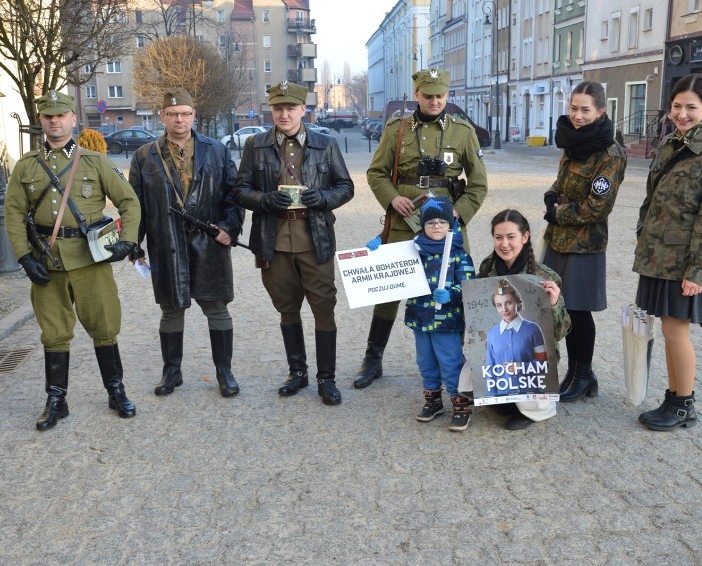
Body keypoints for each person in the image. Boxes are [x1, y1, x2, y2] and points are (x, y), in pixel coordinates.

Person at [4, 90, 140, 431]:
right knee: (54, 333)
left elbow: (129, 202)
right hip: (46, 261)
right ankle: (56, 400)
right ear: (41, 121)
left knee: (105, 327)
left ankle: (115, 390)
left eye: (60, 115)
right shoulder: (25, 168)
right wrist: (23, 256)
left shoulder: (94, 161)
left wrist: (128, 241)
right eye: (48, 116)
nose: (54, 121)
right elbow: (13, 213)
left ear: (72, 119)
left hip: (90, 260)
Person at [356, 67, 488, 390]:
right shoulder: (396, 129)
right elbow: (377, 173)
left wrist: (460, 212)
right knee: (389, 291)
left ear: (447, 95)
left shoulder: (463, 131)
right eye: (428, 96)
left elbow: (479, 183)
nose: (434, 101)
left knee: (460, 290)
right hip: (405, 221)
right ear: (417, 94)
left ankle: (472, 363)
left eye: (440, 96)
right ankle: (373, 360)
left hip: (447, 223)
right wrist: (392, 199)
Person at [232, 80, 354, 406]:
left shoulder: (324, 144)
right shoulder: (255, 145)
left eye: (290, 108)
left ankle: (326, 379)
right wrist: (264, 199)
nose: (284, 114)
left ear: (304, 109)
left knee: (323, 309)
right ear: (271, 110)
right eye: (278, 108)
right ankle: (297, 373)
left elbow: (346, 187)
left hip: (315, 239)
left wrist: (324, 197)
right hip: (273, 242)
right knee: (287, 310)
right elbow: (240, 190)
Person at [633, 74, 702, 431]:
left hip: (685, 262)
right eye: (677, 106)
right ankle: (675, 396)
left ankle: (682, 406)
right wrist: (642, 232)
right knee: (668, 330)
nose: (682, 113)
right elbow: (651, 198)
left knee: (677, 332)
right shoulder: (668, 145)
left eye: (691, 107)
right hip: (658, 256)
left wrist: (699, 269)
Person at [129, 88, 244, 398]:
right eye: (172, 114)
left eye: (184, 113)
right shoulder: (144, 156)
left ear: (194, 116)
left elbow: (233, 195)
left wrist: (230, 227)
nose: (178, 118)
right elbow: (135, 204)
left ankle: (224, 371)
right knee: (171, 310)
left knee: (217, 308)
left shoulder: (216, 150)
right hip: (166, 242)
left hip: (210, 241)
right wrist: (134, 245)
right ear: (162, 117)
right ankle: (172, 371)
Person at [542, 80, 626, 402]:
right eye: (573, 108)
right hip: (558, 240)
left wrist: (558, 212)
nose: (577, 115)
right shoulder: (573, 143)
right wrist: (551, 196)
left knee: (579, 311)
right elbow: (561, 180)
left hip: (585, 244)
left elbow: (597, 206)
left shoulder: (610, 153)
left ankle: (584, 374)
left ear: (600, 111)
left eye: (585, 110)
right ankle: (572, 373)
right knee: (561, 306)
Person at [377, 197, 474, 431]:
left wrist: (452, 294)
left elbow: (469, 285)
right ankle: (433, 400)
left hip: (447, 322)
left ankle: (461, 404)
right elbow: (391, 267)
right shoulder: (415, 250)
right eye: (431, 223)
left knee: (450, 362)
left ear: (450, 224)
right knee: (426, 361)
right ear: (423, 226)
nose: (437, 226)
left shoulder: (458, 254)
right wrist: (376, 250)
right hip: (420, 317)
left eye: (442, 222)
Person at [477, 209, 571, 429]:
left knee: (530, 392)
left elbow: (560, 332)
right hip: (500, 347)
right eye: (498, 237)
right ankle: (505, 398)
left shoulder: (544, 276)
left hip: (532, 354)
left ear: (525, 237)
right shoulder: (487, 268)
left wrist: (555, 305)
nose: (504, 244)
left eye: (511, 237)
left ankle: (531, 408)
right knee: (468, 378)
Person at [484, 280, 547, 395]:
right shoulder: (492, 334)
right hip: (503, 396)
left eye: (508, 303)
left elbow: (543, 365)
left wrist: (522, 367)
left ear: (517, 302)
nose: (504, 309)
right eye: (499, 305)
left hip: (530, 393)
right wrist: (492, 398)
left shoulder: (533, 329)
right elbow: (490, 369)